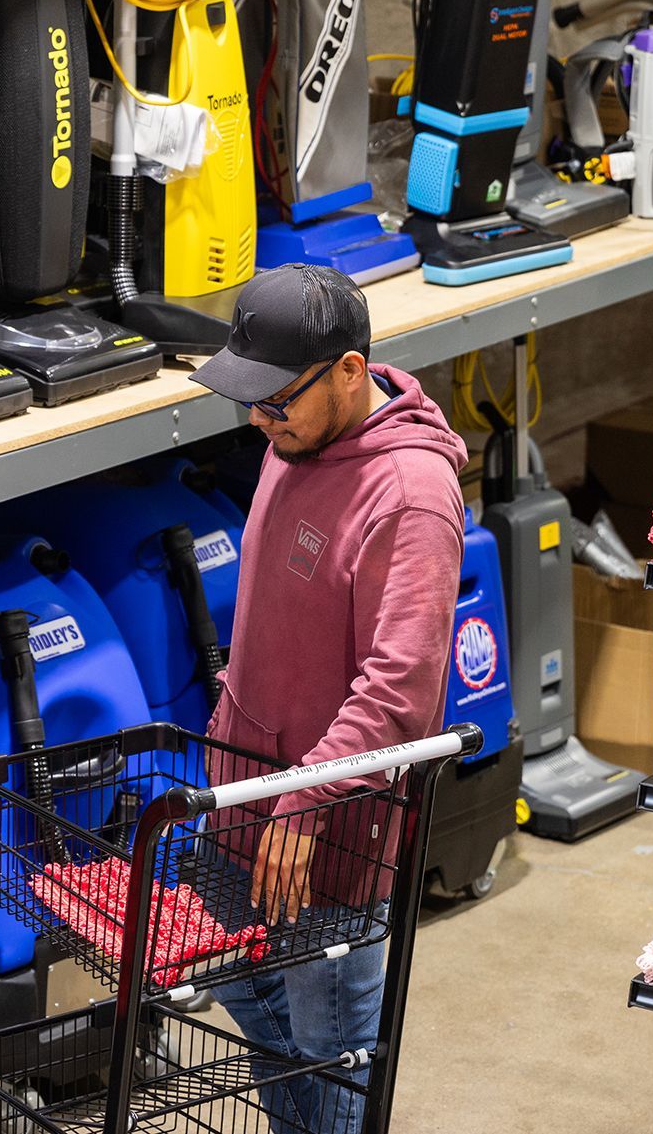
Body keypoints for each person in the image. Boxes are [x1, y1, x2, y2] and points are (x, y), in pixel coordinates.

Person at [188, 263, 467, 1133]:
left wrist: (307, 801)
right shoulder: (296, 437)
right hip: (248, 796)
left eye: (277, 400)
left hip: (332, 838)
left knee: (329, 1053)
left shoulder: (411, 497)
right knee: (232, 976)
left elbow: (401, 691)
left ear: (350, 371)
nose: (258, 418)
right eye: (251, 397)